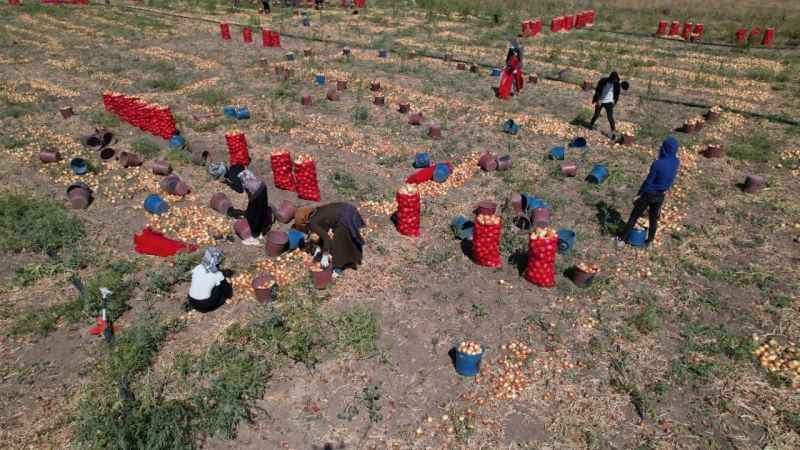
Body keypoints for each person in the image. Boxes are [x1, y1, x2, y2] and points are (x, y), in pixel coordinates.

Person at [617, 137, 681, 248]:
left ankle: (622, 240)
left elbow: (648, 182)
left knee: (634, 216)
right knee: (653, 219)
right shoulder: (676, 162)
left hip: (648, 194)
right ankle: (649, 242)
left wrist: (639, 194)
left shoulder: (658, 164)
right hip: (660, 196)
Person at [294, 203, 365, 277]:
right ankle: (356, 258)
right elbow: (324, 228)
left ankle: (338, 268)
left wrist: (325, 255)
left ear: (304, 221)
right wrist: (319, 247)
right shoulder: (317, 212)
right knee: (348, 238)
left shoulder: (312, 223)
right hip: (349, 209)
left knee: (340, 241)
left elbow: (327, 239)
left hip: (344, 217)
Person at [187, 247, 232, 313]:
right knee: (221, 288)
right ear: (217, 262)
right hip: (205, 305)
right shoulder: (217, 274)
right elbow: (228, 293)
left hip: (191, 300)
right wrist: (229, 284)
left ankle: (194, 306)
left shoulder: (198, 268)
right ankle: (211, 306)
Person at [238, 170, 273, 246]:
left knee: (253, 216)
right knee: (261, 212)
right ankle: (260, 232)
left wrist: (249, 210)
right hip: (262, 188)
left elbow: (250, 196)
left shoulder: (245, 182)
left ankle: (254, 238)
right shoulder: (251, 178)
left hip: (257, 195)